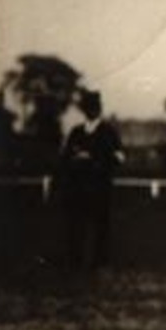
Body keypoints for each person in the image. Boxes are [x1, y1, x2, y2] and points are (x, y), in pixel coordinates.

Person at [59, 88, 125, 269]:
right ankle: (75, 260)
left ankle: (99, 261)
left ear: (100, 109)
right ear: (84, 110)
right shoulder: (76, 132)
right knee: (76, 223)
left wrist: (95, 159)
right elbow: (65, 156)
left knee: (101, 224)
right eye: (88, 107)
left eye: (95, 107)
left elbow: (119, 157)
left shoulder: (108, 132)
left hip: (100, 186)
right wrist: (75, 160)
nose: (92, 111)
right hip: (78, 186)